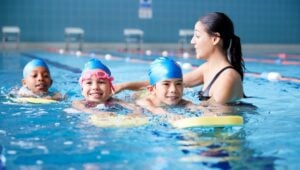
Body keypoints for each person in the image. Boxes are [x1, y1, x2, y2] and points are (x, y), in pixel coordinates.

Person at [184, 12, 245, 105]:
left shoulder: (227, 79)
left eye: (197, 36)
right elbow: (175, 82)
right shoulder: (207, 68)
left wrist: (157, 109)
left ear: (215, 39)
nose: (192, 41)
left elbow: (208, 115)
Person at [129, 57, 199, 119]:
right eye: (166, 84)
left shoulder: (181, 101)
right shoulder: (145, 102)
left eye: (178, 84)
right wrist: (168, 115)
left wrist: (201, 110)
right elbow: (154, 109)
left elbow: (192, 106)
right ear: (152, 89)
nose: (173, 90)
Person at [72, 58, 142, 117]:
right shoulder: (79, 102)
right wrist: (97, 113)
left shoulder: (114, 101)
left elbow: (136, 107)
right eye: (89, 83)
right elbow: (82, 108)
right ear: (82, 90)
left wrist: (136, 113)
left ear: (110, 88)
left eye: (101, 82)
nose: (95, 87)